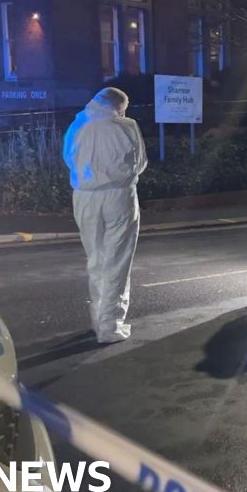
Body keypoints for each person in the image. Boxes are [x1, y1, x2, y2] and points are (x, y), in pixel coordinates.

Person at [63, 87, 148, 343]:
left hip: (85, 196)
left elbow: (68, 157)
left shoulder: (77, 125)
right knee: (117, 261)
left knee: (96, 259)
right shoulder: (127, 126)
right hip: (119, 196)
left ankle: (98, 318)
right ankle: (110, 325)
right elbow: (140, 162)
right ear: (119, 107)